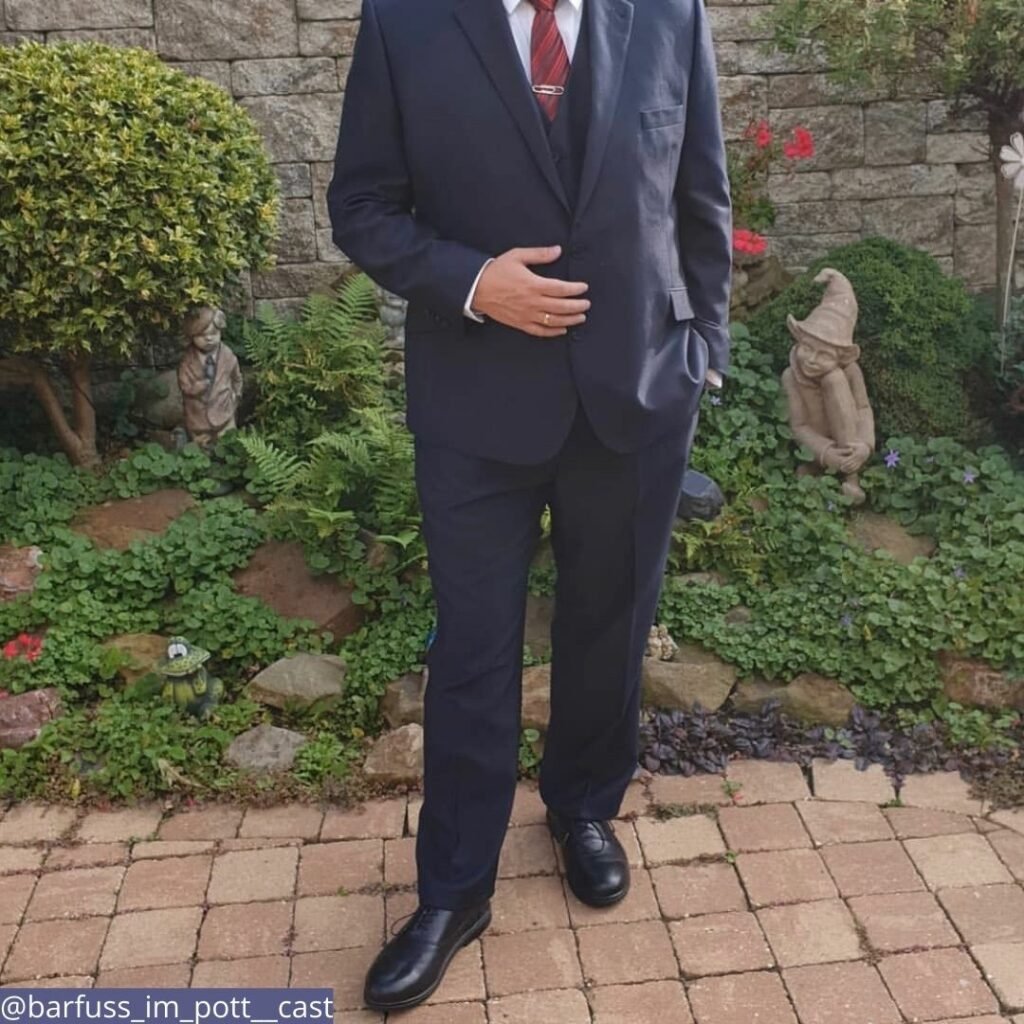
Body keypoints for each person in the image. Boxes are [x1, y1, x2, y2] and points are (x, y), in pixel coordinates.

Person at [328, 0, 731, 1010]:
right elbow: (362, 204)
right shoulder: (405, 22)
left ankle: (582, 809)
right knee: (471, 647)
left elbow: (699, 192)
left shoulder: (668, 15)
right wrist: (470, 282)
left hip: (636, 395)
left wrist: (704, 356)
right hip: (474, 406)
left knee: (608, 623)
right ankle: (453, 889)